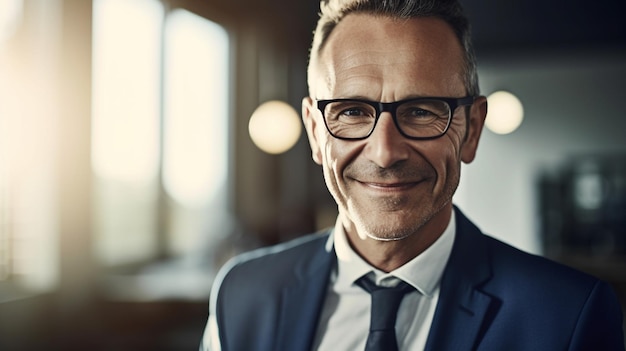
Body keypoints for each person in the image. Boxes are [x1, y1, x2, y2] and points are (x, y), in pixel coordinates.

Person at [200, 0, 625, 350]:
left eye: (421, 111)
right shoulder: (242, 293)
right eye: (351, 111)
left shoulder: (568, 316)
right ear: (315, 131)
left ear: (471, 130)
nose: (385, 153)